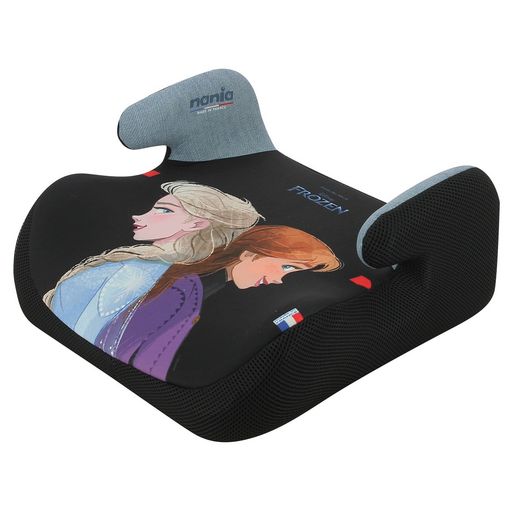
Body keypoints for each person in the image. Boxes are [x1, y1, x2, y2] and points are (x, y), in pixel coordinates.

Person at [95, 224, 342, 381]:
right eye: (286, 267)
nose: (279, 280)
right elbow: (127, 348)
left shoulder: (206, 287)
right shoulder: (186, 288)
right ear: (249, 253)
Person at [43, 180, 263, 343]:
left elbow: (86, 329)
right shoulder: (161, 268)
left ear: (196, 224)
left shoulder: (139, 272)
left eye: (164, 210)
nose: (138, 216)